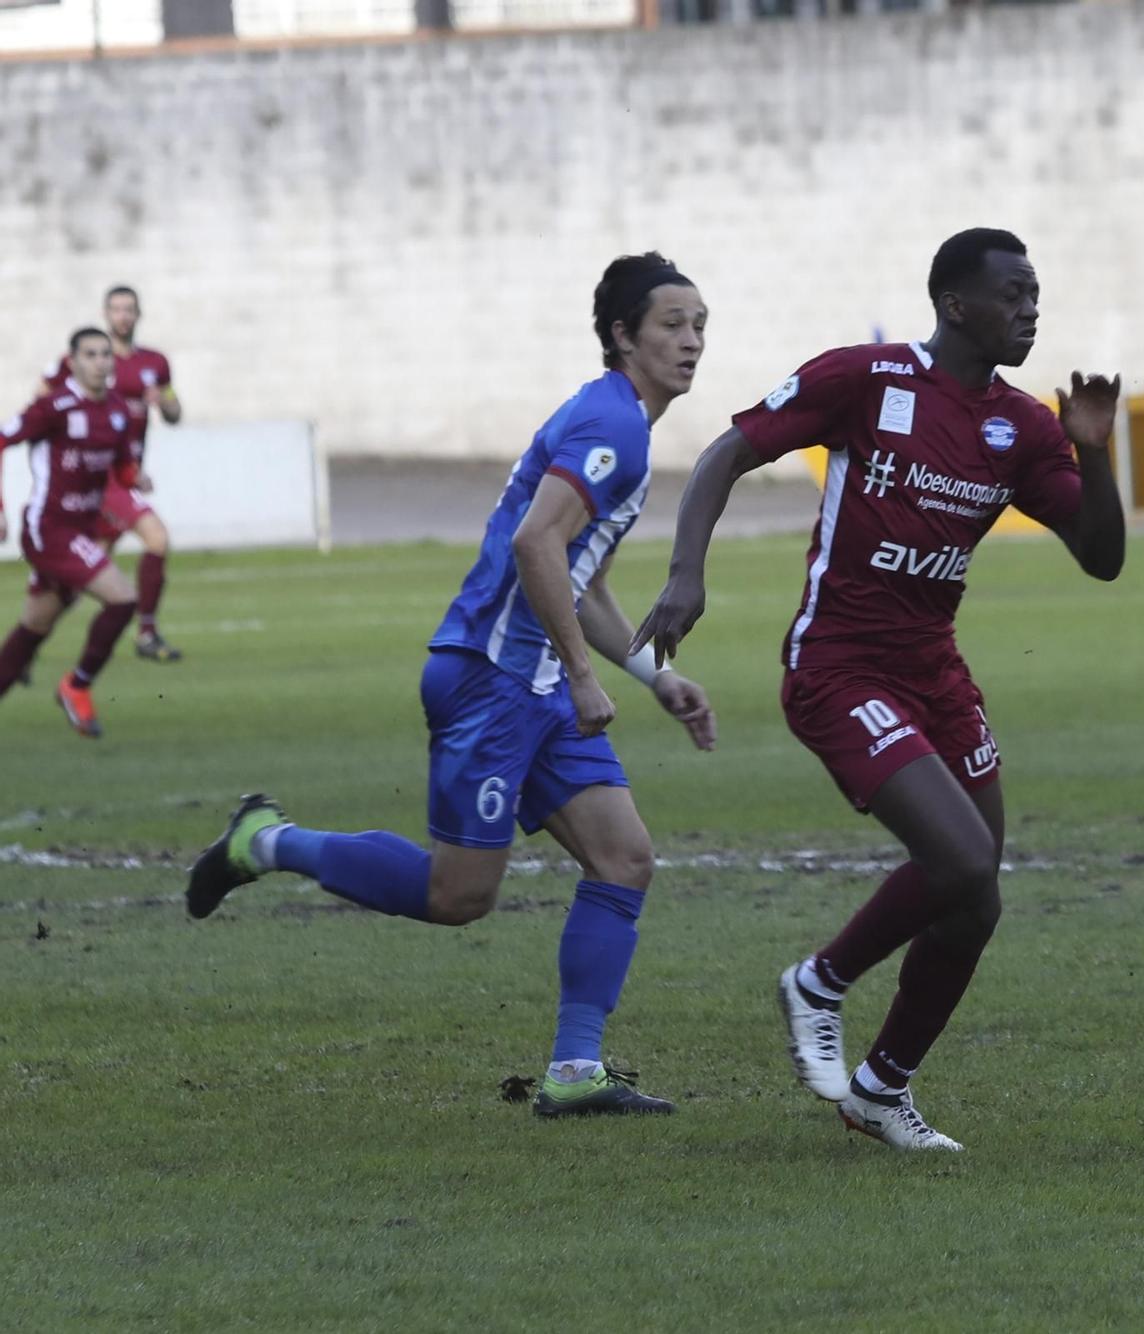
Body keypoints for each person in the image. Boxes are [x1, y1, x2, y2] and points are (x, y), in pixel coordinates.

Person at [183, 253, 718, 1117]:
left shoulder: (624, 425)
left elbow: (584, 582)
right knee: (457, 896)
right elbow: (536, 546)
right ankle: (265, 841)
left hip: (534, 683)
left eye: (700, 326)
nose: (691, 341)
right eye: (671, 324)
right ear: (623, 336)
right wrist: (583, 677)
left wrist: (657, 676)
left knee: (625, 859)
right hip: (493, 682)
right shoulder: (612, 426)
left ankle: (575, 1074)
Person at [630, 228, 1125, 1151]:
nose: (1031, 309)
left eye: (1036, 294)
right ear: (954, 305)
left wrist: (1094, 453)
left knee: (976, 899)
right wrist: (687, 573)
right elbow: (724, 455)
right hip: (837, 666)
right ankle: (817, 982)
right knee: (964, 861)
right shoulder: (867, 380)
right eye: (1013, 294)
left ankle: (880, 1091)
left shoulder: (1023, 426)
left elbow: (1103, 559)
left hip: (934, 672)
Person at [0, 328, 145, 737]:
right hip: (49, 529)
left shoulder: (117, 411)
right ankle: (76, 685)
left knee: (35, 626)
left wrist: (136, 476)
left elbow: (120, 468)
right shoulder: (53, 407)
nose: (100, 361)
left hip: (81, 529)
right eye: (91, 355)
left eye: (105, 355)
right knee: (122, 598)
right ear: (74, 360)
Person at [45, 285, 184, 661]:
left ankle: (26, 645)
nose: (122, 316)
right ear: (106, 314)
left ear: (138, 315)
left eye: (129, 309)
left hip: (126, 475)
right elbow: (46, 395)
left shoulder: (155, 363)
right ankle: (147, 633)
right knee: (156, 538)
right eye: (116, 309)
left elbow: (174, 413)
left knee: (84, 575)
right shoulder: (92, 361)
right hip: (101, 477)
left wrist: (164, 403)